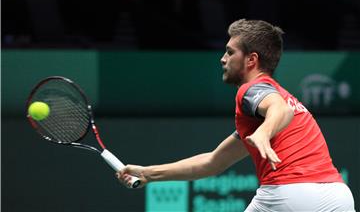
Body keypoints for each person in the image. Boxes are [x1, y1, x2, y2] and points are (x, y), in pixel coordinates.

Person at [116, 19, 355, 211]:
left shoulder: (252, 89)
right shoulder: (279, 99)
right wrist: (148, 173)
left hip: (288, 193)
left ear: (251, 60)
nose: (223, 59)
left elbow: (280, 110)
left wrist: (263, 133)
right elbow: (212, 162)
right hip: (338, 196)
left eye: (230, 52)